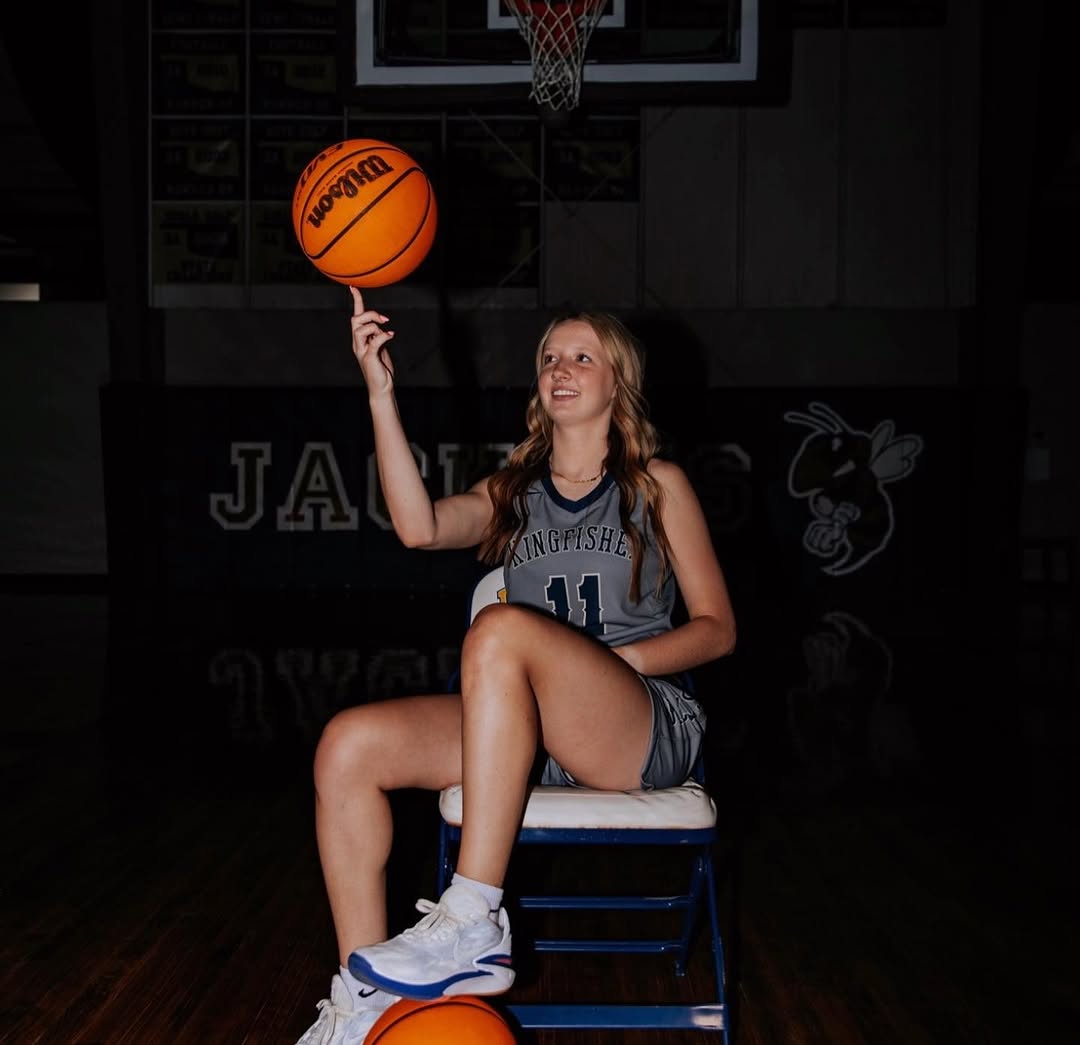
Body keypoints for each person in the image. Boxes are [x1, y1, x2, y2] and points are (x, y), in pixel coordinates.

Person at [295, 288, 736, 1045]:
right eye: (549, 358)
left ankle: (472, 914)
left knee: (499, 630)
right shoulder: (514, 493)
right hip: (530, 736)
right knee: (347, 744)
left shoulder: (658, 485)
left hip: (638, 725)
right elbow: (419, 527)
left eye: (582, 357)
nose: (560, 369)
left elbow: (718, 630)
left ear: (618, 382)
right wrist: (381, 394)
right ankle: (363, 1002)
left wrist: (610, 663)